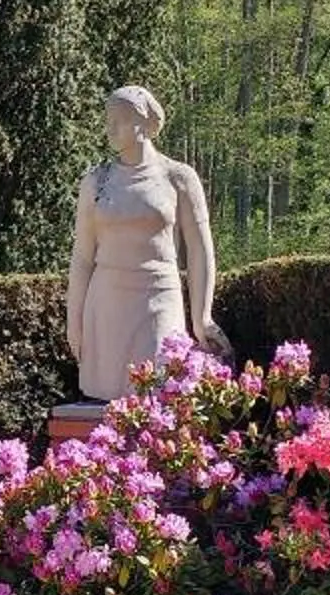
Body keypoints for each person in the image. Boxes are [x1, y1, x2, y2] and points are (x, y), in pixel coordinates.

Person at [64, 84, 216, 402]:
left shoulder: (179, 178)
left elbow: (200, 250)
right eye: (108, 120)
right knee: (104, 398)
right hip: (106, 304)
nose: (111, 128)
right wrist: (74, 321)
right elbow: (81, 257)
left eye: (119, 119)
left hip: (159, 298)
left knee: (158, 395)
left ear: (144, 123)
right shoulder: (96, 181)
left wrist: (202, 317)